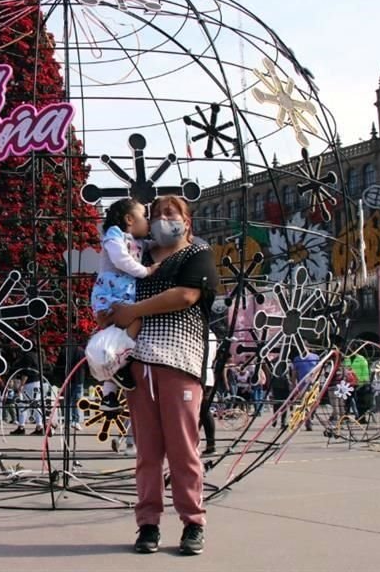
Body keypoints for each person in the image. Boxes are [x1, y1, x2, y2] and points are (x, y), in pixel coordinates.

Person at [109, 195, 218, 556]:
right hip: (138, 365)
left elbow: (184, 296)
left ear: (187, 222)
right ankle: (148, 524)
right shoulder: (136, 256)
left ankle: (192, 522)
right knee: (147, 452)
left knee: (183, 449)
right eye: (155, 215)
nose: (161, 220)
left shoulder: (196, 254)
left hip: (180, 362)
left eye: (171, 214)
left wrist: (134, 310)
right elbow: (111, 290)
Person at [89, 198, 161, 412]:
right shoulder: (114, 235)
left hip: (124, 295)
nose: (147, 221)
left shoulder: (140, 242)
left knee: (114, 346)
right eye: (144, 216)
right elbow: (121, 260)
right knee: (135, 322)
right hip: (111, 294)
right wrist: (146, 271)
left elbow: (155, 244)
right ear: (130, 219)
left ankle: (109, 394)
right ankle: (115, 374)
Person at [10, 350, 45, 436]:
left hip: (30, 383)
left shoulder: (28, 356)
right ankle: (39, 426)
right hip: (37, 382)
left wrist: (21, 385)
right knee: (36, 404)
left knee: (23, 405)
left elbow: (26, 372)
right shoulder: (37, 355)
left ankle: (22, 427)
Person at [291, 351, 320, 431]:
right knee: (305, 403)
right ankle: (308, 422)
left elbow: (319, 369)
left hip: (313, 384)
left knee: (315, 403)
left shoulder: (315, 357)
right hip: (302, 385)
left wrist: (316, 378)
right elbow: (294, 373)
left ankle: (311, 415)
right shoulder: (297, 359)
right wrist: (294, 385)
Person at [344, 350, 371, 421]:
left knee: (359, 402)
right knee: (347, 401)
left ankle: (361, 418)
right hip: (349, 384)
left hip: (360, 384)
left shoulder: (361, 359)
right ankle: (346, 416)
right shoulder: (346, 359)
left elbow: (365, 371)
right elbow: (345, 370)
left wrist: (364, 382)